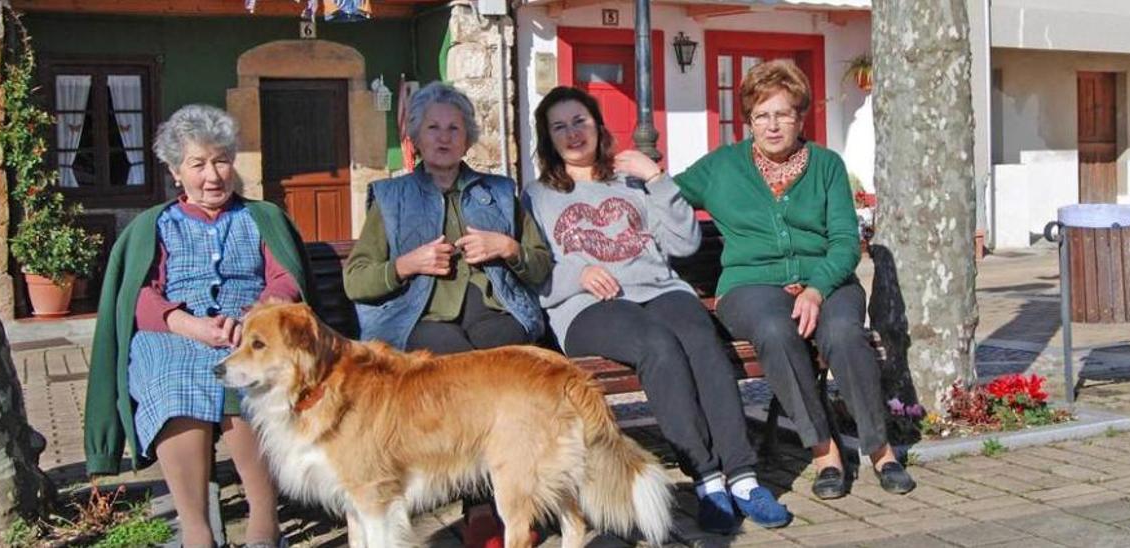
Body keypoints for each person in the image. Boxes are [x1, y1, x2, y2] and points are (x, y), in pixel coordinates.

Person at [620, 60, 916, 500]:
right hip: (749, 285)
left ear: (800, 117)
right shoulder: (722, 166)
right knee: (776, 331)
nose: (772, 125)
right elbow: (670, 199)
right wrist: (653, 177)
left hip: (827, 280)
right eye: (761, 115)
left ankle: (880, 450)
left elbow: (843, 241)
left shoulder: (826, 165)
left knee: (845, 334)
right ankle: (824, 452)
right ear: (749, 121)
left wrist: (816, 289)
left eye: (782, 114)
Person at [524, 86, 792, 535]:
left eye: (580, 122)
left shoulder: (630, 181)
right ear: (548, 139)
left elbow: (685, 243)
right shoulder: (537, 196)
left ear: (597, 126)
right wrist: (577, 274)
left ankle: (743, 478)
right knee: (657, 345)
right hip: (589, 306)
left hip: (660, 289)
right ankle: (706, 478)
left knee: (703, 340)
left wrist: (656, 179)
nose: (573, 133)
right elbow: (532, 266)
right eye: (560, 127)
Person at [85, 105, 309, 548]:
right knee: (174, 383)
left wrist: (256, 317)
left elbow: (285, 278)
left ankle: (265, 525)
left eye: (222, 160)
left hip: (250, 330)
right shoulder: (155, 225)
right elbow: (139, 296)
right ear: (174, 171)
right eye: (198, 163)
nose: (213, 175)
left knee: (250, 381)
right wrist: (184, 323)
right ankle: (196, 532)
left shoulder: (260, 217)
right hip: (175, 333)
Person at [341, 82, 551, 546]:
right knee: (460, 381)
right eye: (433, 127)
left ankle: (516, 501)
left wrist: (508, 247)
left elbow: (538, 266)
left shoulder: (497, 190)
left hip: (496, 310)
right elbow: (356, 278)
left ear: (469, 137)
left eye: (454, 127)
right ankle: (481, 508)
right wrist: (406, 264)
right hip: (420, 319)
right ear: (414, 135)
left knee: (507, 369)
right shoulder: (391, 198)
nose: (444, 136)